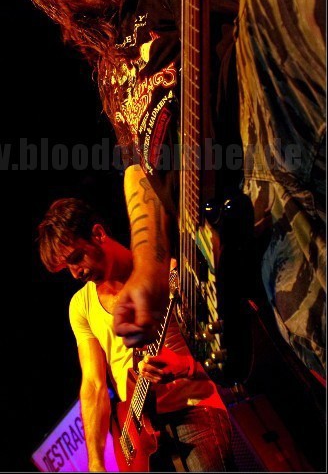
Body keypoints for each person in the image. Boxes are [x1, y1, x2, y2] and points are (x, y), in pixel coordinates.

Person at [14, 0, 325, 378]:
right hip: (245, 240)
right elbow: (141, 173)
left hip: (271, 147)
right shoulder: (112, 78)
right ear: (64, 9)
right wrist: (149, 274)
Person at [37, 197, 234, 472]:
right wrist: (96, 462)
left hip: (192, 409)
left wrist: (183, 365)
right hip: (139, 437)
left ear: (98, 234)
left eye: (76, 258)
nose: (75, 273)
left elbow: (218, 343)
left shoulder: (166, 270)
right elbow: (93, 385)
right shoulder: (80, 306)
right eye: (67, 267)